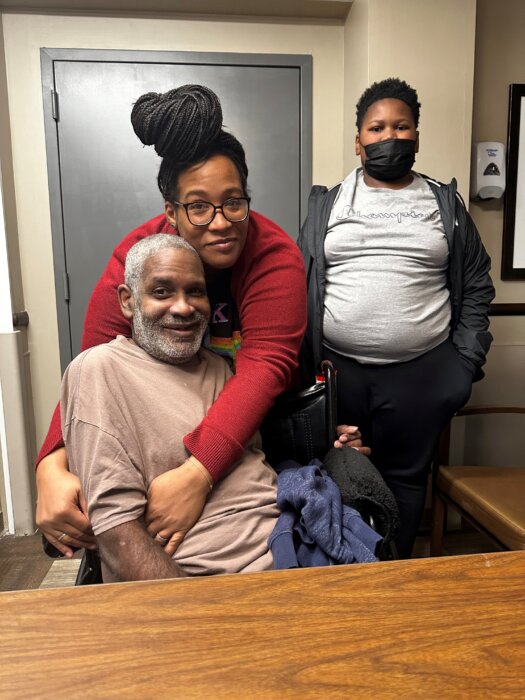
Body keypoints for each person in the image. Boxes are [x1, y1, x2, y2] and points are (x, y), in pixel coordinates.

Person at [36, 83, 365, 558]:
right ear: (170, 212)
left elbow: (264, 368)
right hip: (167, 427)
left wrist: (198, 474)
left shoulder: (273, 256)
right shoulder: (139, 256)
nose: (220, 221)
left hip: (260, 429)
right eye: (198, 206)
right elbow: (90, 365)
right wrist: (51, 464)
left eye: (234, 201)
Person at [298, 77, 495, 558]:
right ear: (358, 141)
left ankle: (396, 578)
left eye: (401, 126)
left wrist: (462, 366)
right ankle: (348, 581)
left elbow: (476, 283)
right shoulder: (330, 202)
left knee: (406, 481)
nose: (389, 136)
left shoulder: (443, 204)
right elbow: (299, 278)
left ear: (417, 137)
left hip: (423, 374)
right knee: (340, 473)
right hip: (340, 374)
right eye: (377, 127)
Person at [62, 235, 279, 582]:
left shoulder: (220, 368)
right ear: (128, 301)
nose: (183, 307)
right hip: (206, 583)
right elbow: (117, 533)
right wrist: (188, 612)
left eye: (195, 291)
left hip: (290, 549)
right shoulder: (99, 369)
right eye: (162, 292)